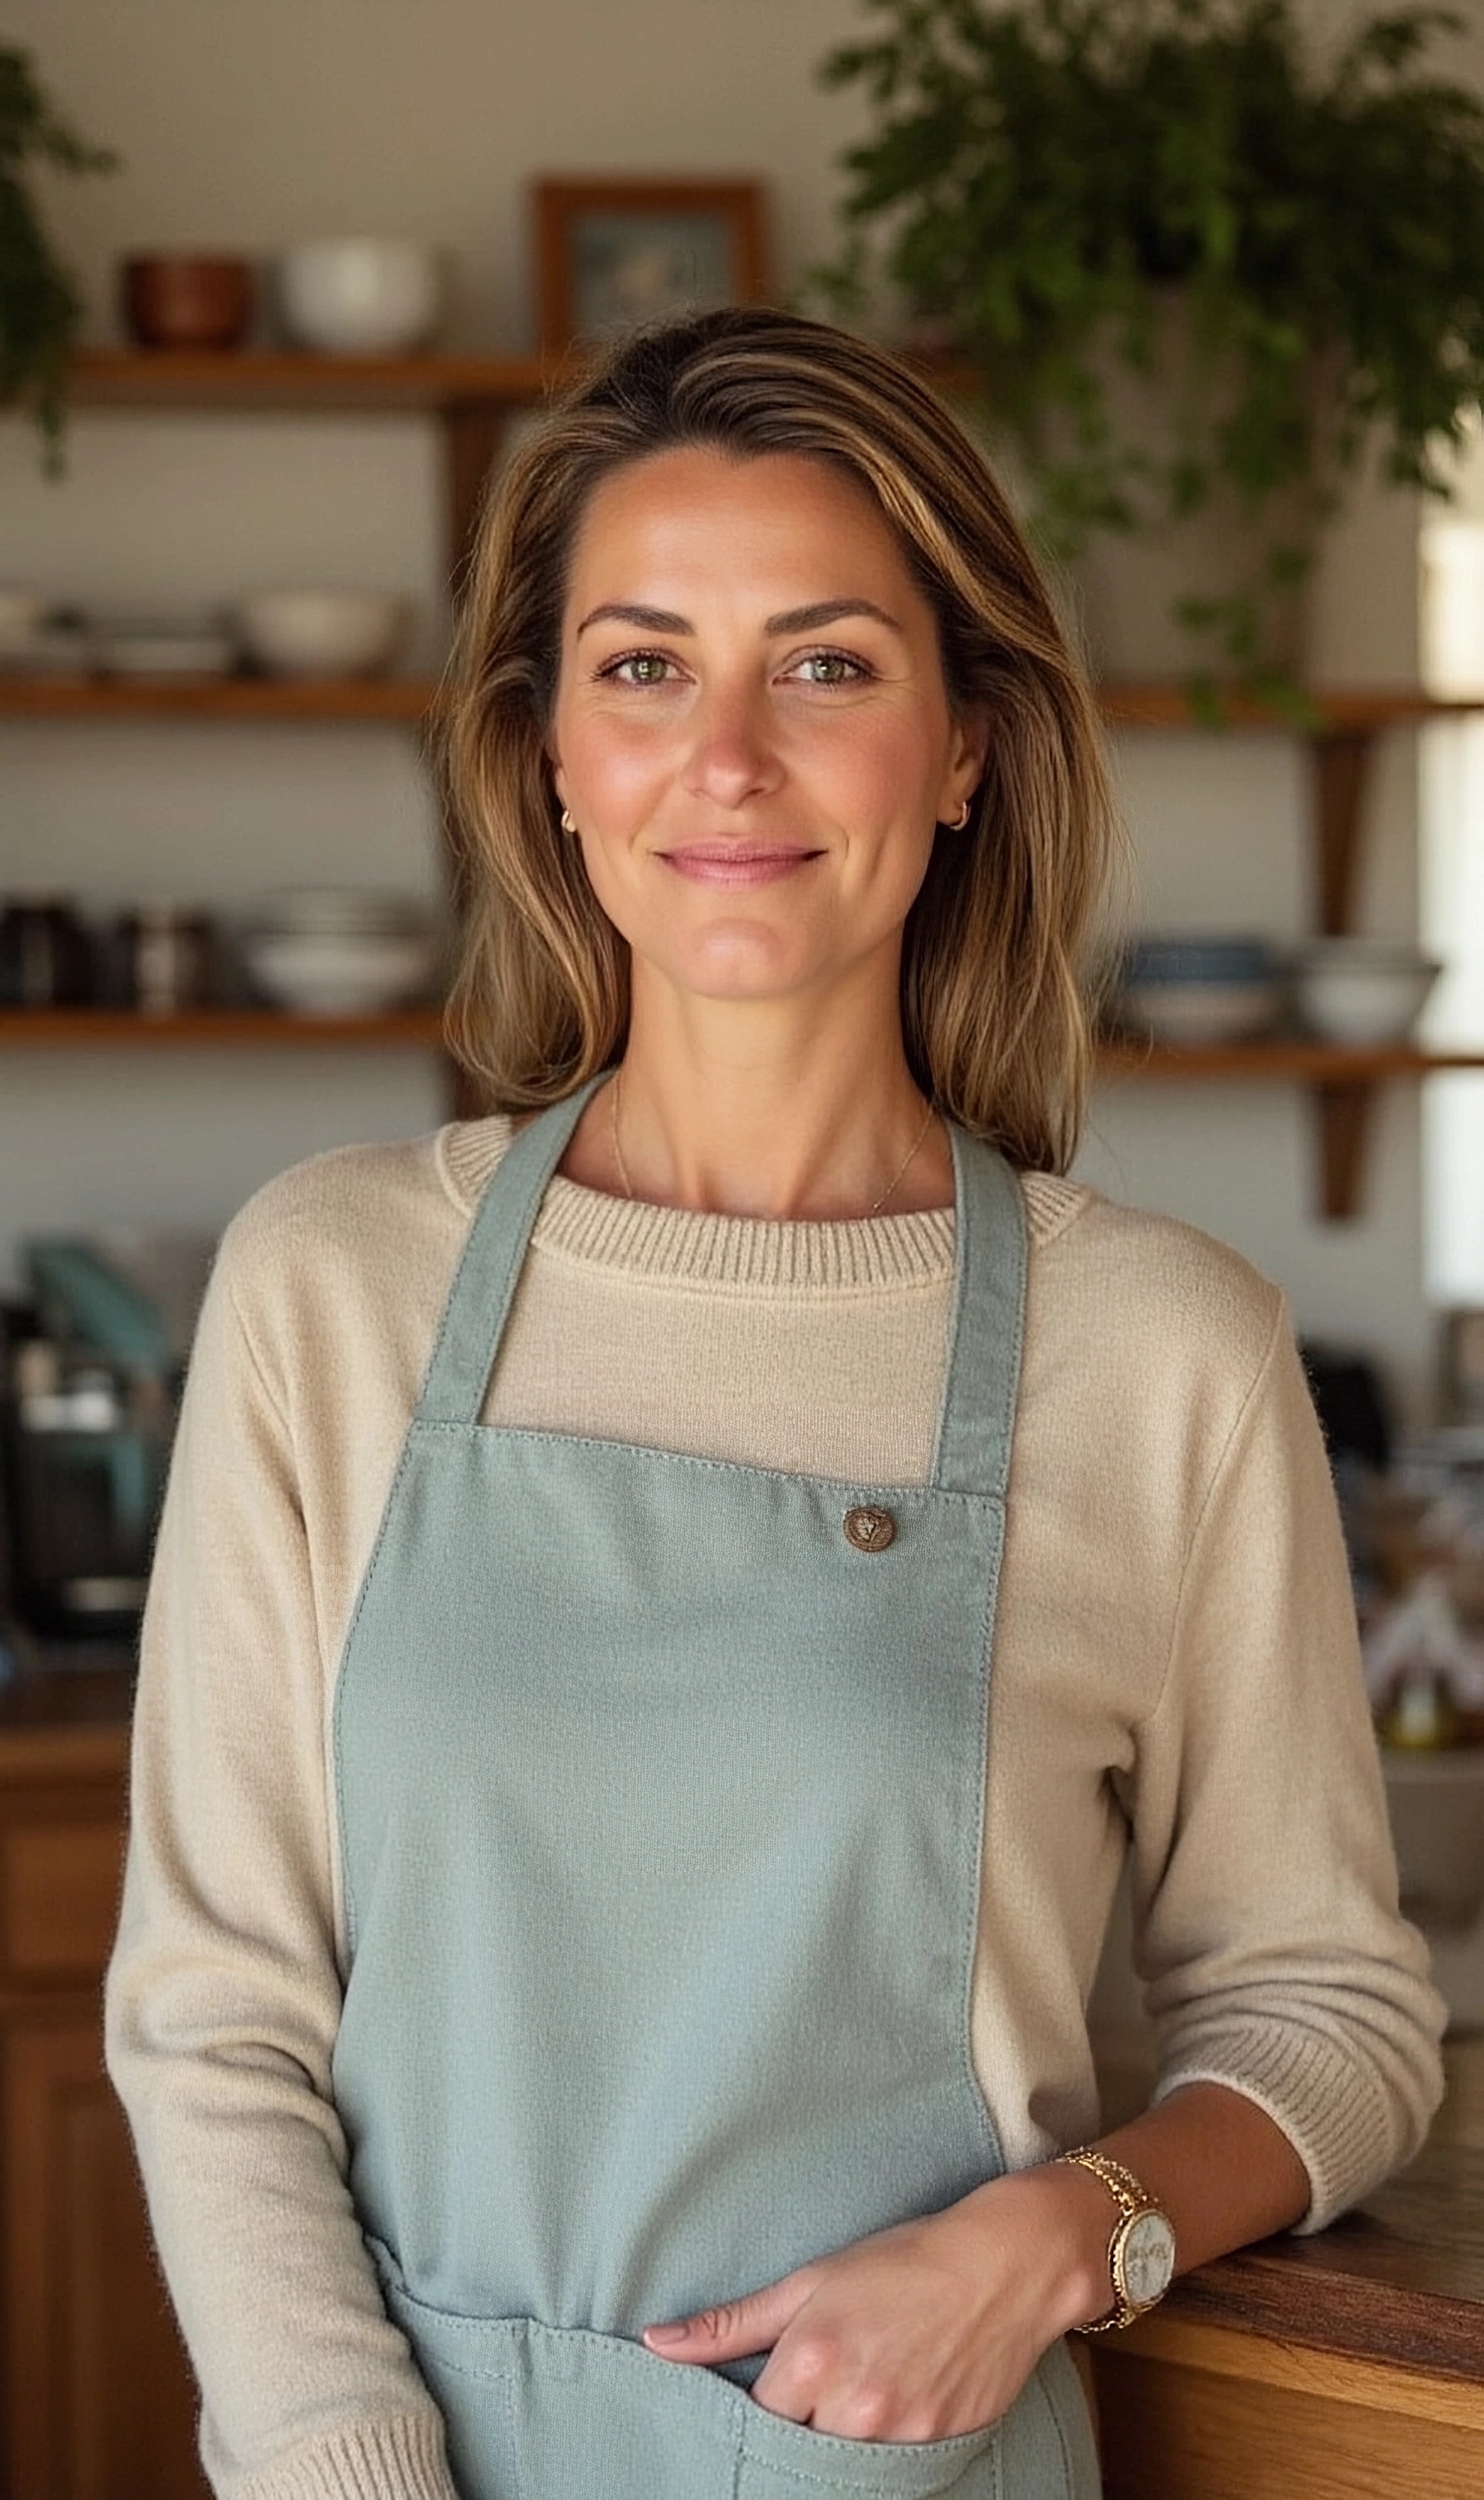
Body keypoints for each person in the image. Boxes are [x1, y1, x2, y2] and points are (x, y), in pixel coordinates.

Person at [106, 309, 1445, 2500]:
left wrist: (1061, 2237)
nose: (725, 758)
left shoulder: (1169, 1350)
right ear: (548, 751)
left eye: (825, 664)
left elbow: (1336, 2016)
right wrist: (349, 2468)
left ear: (965, 744)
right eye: (641, 667)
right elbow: (214, 2016)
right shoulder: (332, 1285)